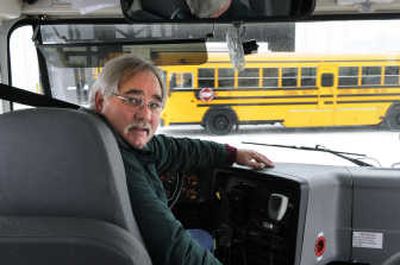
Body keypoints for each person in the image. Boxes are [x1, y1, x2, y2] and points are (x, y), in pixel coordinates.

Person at [88, 54, 273, 265]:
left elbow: (173, 148)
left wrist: (232, 154)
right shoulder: (116, 161)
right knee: (203, 238)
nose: (146, 115)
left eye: (154, 105)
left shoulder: (103, 138)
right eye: (133, 100)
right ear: (100, 100)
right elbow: (173, 246)